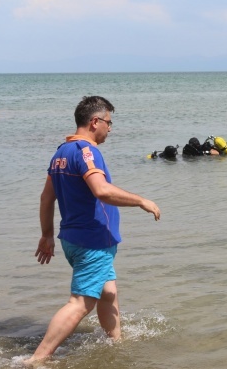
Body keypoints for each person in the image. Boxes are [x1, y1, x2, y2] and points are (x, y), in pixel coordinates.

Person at [24, 96, 161, 365]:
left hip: (73, 240)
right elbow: (102, 190)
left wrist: (47, 235)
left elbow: (45, 198)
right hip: (92, 241)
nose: (110, 128)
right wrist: (142, 200)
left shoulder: (60, 153)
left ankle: (116, 344)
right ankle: (35, 360)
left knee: (108, 291)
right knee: (80, 302)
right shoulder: (87, 152)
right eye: (109, 122)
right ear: (94, 121)